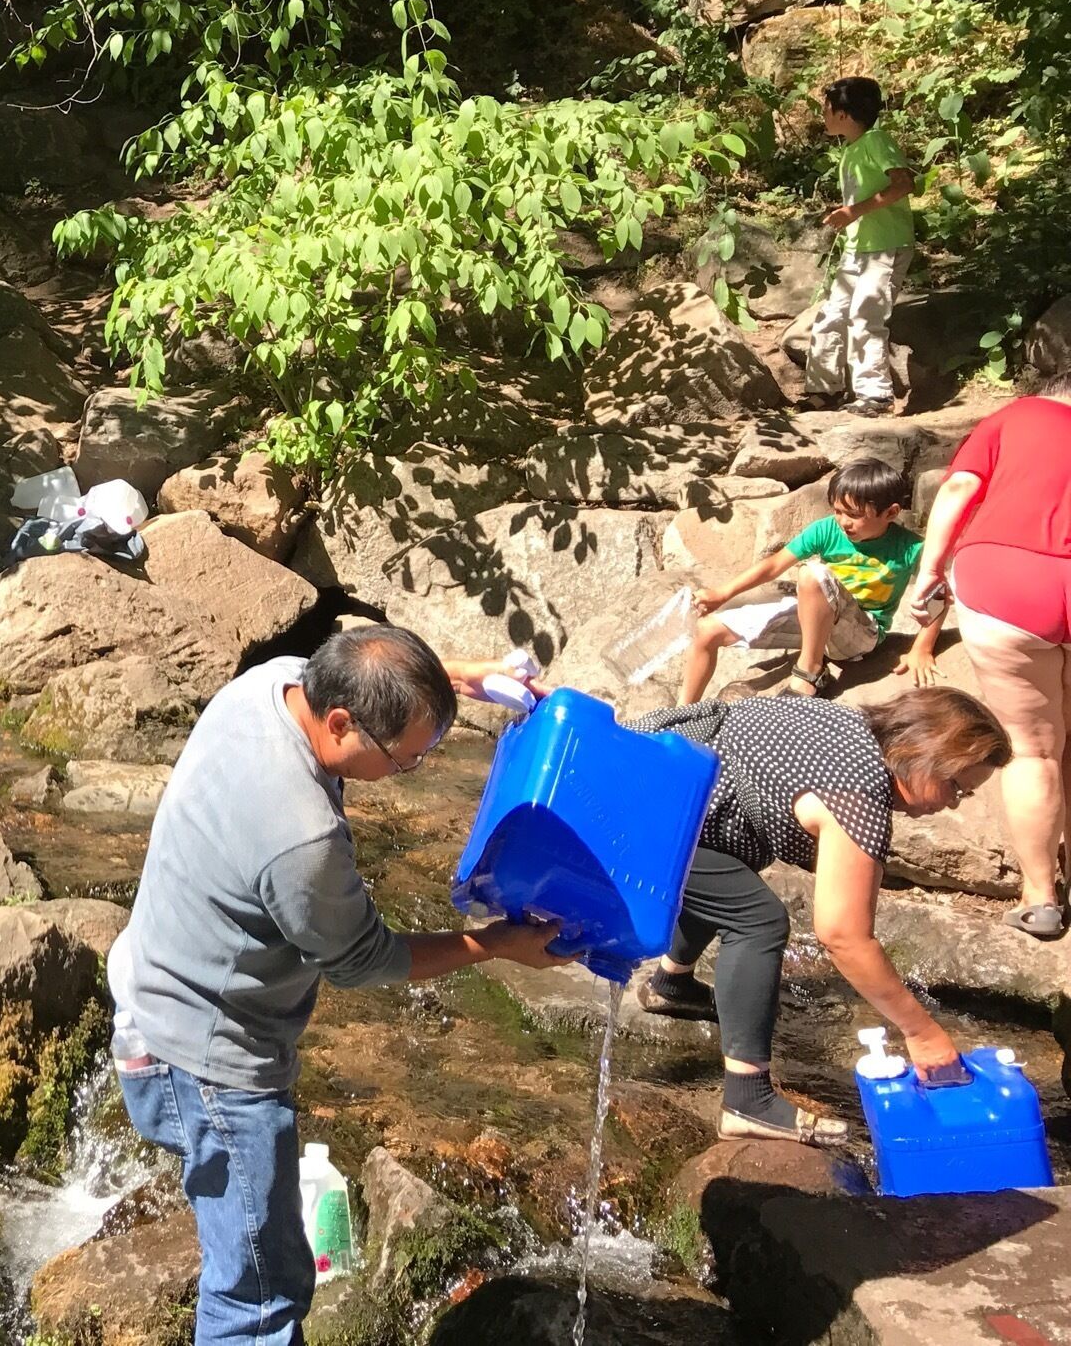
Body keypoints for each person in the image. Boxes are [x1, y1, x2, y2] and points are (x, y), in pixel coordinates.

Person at [106, 626, 568, 1346]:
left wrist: (461, 677)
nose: (414, 767)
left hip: (149, 994)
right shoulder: (303, 837)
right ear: (341, 725)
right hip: (206, 1061)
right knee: (259, 1299)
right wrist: (496, 944)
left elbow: (352, 670)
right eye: (406, 760)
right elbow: (361, 960)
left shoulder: (264, 687)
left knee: (255, 1262)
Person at [631, 688, 1006, 1140]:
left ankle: (671, 984)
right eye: (956, 787)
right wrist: (921, 1031)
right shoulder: (859, 790)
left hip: (648, 780)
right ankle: (746, 1100)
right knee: (757, 920)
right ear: (925, 754)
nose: (952, 803)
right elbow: (843, 936)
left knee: (732, 876)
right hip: (643, 815)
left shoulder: (850, 727)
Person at [905, 376, 1071, 939]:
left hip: (1007, 580)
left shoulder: (1014, 415)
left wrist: (929, 576)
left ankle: (1040, 898)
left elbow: (956, 491)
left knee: (1033, 751)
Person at [677, 456, 944, 703]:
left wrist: (922, 647)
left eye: (854, 515)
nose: (843, 522)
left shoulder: (910, 548)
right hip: (817, 623)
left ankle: (809, 673)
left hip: (862, 635)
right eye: (838, 511)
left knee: (812, 574)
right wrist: (722, 595)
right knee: (707, 630)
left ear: (891, 513)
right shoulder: (827, 530)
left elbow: (941, 594)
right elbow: (774, 565)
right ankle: (678, 719)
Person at [803, 75, 915, 418]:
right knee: (829, 317)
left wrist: (854, 211)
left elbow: (903, 184)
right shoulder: (852, 150)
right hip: (859, 247)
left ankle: (876, 396)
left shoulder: (877, 140)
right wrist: (847, 214)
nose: (822, 114)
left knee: (866, 317)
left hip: (886, 245)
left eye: (826, 108)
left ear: (845, 114)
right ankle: (825, 390)